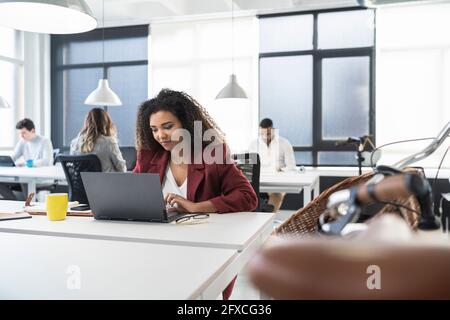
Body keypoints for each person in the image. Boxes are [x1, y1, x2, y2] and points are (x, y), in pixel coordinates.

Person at [133, 88, 258, 299]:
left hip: (203, 249)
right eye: (154, 129)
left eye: (168, 127)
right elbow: (133, 193)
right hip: (156, 248)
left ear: (186, 125)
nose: (160, 135)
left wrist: (196, 207)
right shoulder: (148, 157)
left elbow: (248, 197)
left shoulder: (213, 155)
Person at [248, 118, 296, 212]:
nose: (265, 137)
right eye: (262, 134)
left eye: (268, 134)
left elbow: (291, 166)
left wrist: (280, 170)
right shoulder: (254, 144)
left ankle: (268, 220)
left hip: (278, 181)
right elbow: (250, 165)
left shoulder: (284, 143)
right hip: (260, 179)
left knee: (276, 195)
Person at [70, 108, 127, 173]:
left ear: (86, 123)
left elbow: (74, 170)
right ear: (106, 123)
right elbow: (122, 169)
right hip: (105, 183)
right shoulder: (109, 142)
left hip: (82, 183)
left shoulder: (74, 144)